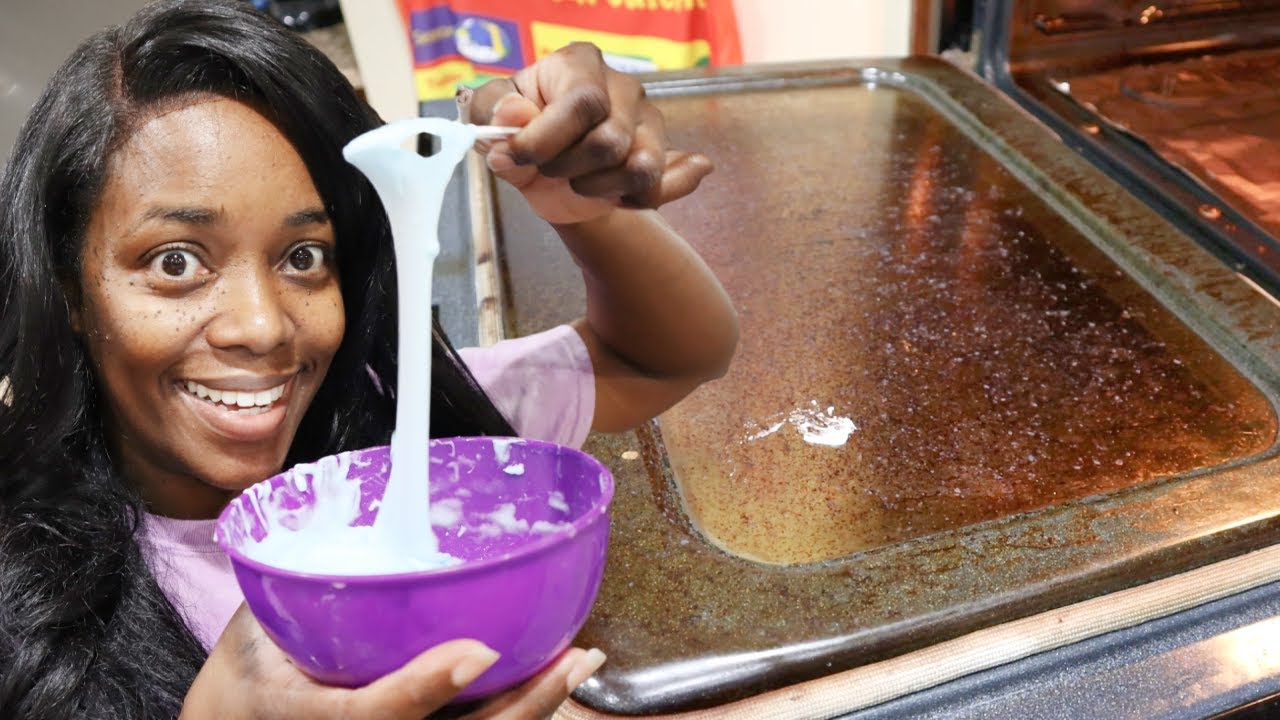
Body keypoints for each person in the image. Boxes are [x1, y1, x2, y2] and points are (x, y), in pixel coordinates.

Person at [0, 0, 738, 718]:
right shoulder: (23, 592)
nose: (262, 327)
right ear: (68, 289)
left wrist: (579, 208)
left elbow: (662, 357)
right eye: (175, 262)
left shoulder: (402, 450)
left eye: (302, 255)